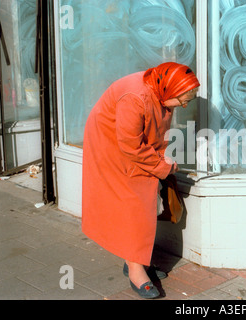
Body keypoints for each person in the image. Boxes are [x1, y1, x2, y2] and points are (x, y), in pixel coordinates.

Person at [81, 62, 200, 299]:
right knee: (135, 202)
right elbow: (131, 145)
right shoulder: (134, 98)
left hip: (129, 143)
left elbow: (155, 130)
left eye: (187, 101)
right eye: (182, 101)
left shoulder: (163, 88)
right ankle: (136, 269)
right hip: (111, 143)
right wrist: (161, 166)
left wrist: (162, 160)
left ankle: (137, 258)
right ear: (169, 90)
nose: (184, 105)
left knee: (143, 198)